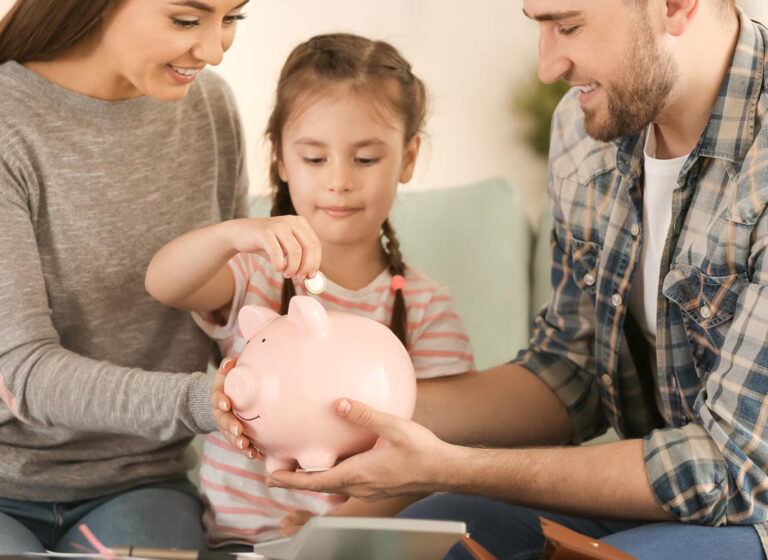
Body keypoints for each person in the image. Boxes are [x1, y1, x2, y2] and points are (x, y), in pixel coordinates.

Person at [261, 1, 768, 559]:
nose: (547, 66)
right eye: (540, 26)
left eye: (568, 26)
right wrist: (339, 407)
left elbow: (732, 469)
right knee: (420, 544)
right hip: (664, 492)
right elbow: (569, 372)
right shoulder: (584, 132)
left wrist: (454, 466)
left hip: (752, 505)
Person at [145, 32, 476, 547]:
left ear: (407, 159)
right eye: (315, 159)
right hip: (230, 539)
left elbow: (431, 451)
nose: (339, 181)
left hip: (349, 544)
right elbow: (163, 283)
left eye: (365, 159)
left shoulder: (424, 304)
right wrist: (235, 234)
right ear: (280, 157)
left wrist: (342, 527)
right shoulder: (254, 272)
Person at [0, 0, 249, 553]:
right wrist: (205, 403)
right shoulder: (6, 122)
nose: (213, 51)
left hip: (141, 482)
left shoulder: (210, 109)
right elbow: (20, 371)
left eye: (233, 18)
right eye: (187, 20)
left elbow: (229, 318)